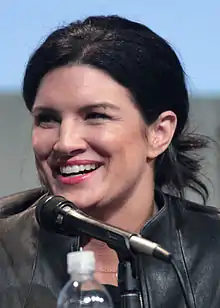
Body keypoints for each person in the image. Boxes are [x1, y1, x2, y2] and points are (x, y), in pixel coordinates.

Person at [0, 15, 220, 308]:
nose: (65, 142)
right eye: (47, 119)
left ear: (159, 132)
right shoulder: (5, 247)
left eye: (95, 116)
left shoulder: (212, 250)